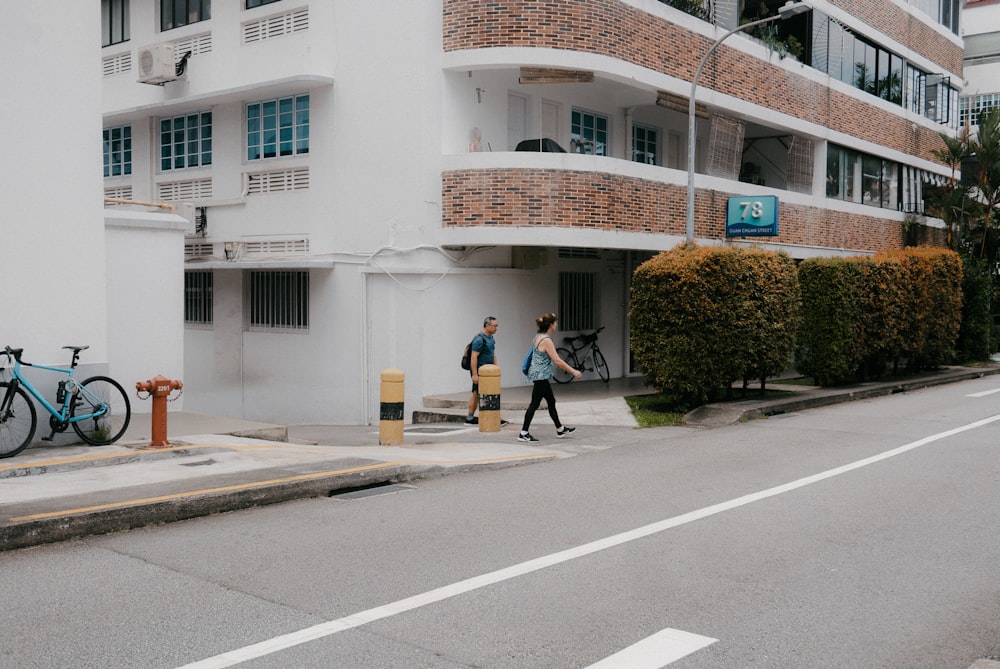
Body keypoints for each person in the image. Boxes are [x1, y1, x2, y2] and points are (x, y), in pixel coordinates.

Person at [518, 312, 581, 442]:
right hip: (541, 376)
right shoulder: (546, 340)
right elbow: (557, 360)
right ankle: (523, 433)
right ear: (551, 325)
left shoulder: (538, 337)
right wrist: (573, 371)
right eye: (555, 322)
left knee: (551, 401)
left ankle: (560, 429)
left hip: (539, 375)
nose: (556, 325)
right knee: (534, 404)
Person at [466, 316, 509, 426]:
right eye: (495, 326)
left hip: (489, 373)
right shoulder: (479, 339)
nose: (496, 328)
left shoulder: (490, 338)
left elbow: (492, 353)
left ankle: (475, 417)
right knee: (480, 394)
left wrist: (496, 368)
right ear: (487, 325)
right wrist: (475, 374)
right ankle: (473, 418)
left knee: (486, 393)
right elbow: (473, 357)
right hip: (481, 372)